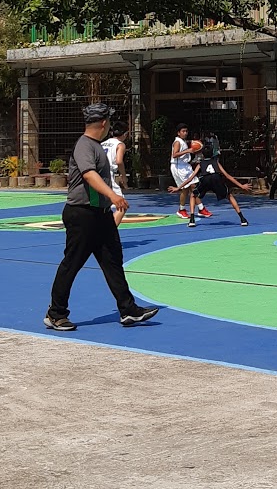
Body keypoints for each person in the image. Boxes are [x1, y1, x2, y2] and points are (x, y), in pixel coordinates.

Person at [45, 103, 159, 332]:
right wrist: (113, 195)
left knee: (113, 261)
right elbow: (89, 175)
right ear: (104, 123)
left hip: (101, 214)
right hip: (82, 214)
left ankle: (128, 309)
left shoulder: (96, 146)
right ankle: (56, 314)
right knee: (72, 263)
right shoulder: (84, 145)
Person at [187, 143, 251, 227]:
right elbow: (227, 175)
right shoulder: (216, 162)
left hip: (205, 179)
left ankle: (192, 220)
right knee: (229, 196)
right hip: (216, 179)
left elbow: (191, 178)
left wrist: (178, 188)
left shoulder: (200, 164)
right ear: (212, 154)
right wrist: (241, 186)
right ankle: (242, 219)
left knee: (193, 195)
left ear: (202, 154)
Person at [170, 124, 207, 219]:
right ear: (178, 133)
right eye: (183, 131)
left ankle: (201, 208)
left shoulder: (183, 141)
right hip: (178, 167)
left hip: (185, 166)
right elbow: (174, 155)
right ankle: (181, 209)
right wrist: (188, 151)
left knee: (194, 186)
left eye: (186, 131)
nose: (185, 133)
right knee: (185, 188)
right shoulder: (177, 142)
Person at [102, 117, 128, 206]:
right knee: (122, 204)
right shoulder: (120, 144)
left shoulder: (103, 143)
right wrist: (123, 176)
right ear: (125, 134)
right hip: (108, 174)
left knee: (97, 204)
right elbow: (119, 161)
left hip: (97, 173)